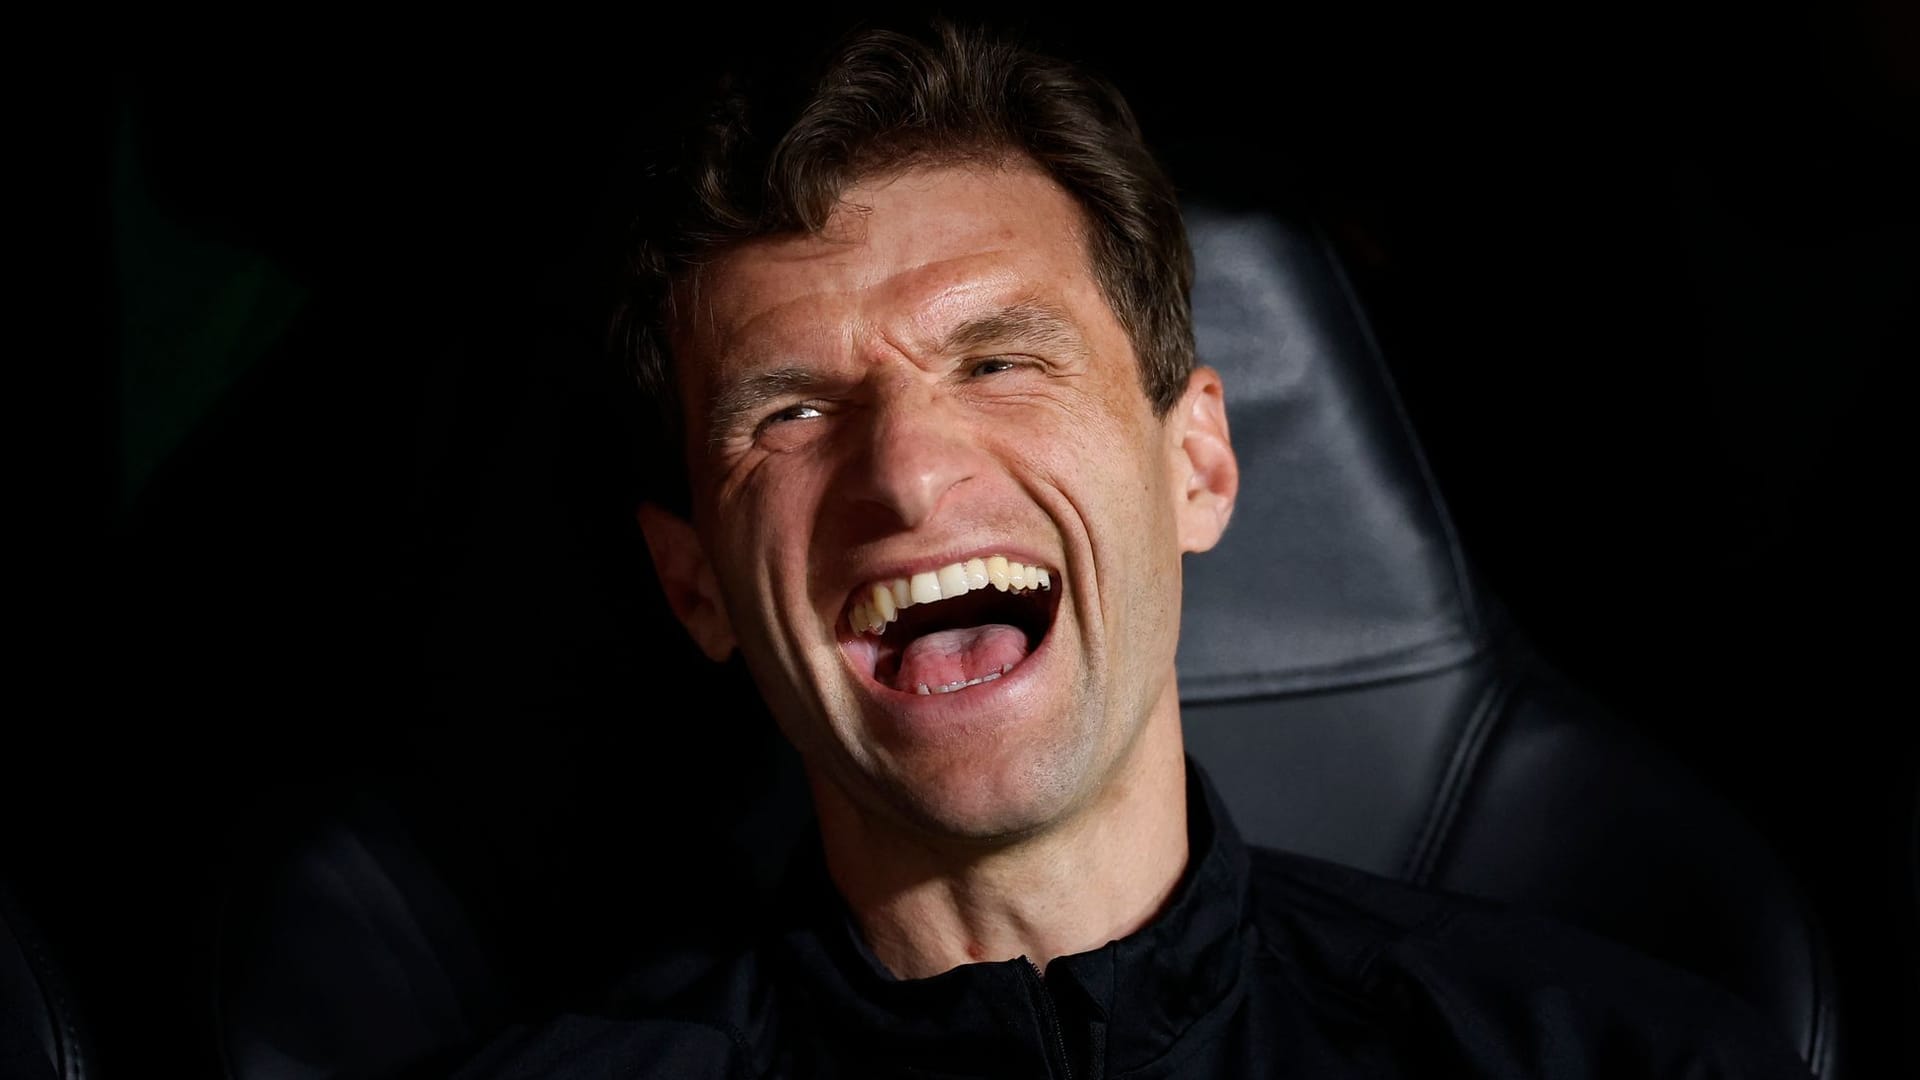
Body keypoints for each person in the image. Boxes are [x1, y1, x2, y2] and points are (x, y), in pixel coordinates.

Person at [457, 19, 1813, 1079]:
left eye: (1000, 360)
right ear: (696, 584)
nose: (911, 474)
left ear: (1198, 465)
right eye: (793, 412)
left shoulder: (1633, 1060)